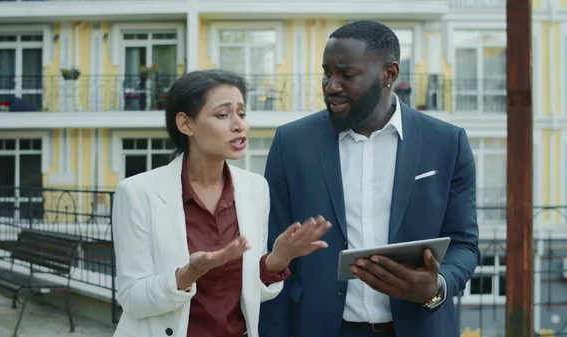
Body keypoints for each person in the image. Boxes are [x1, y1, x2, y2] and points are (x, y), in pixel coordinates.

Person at [258, 20, 481, 337]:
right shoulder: (291, 143)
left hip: (418, 327)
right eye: (327, 72)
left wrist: (438, 285)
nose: (331, 85)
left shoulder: (447, 142)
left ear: (389, 74)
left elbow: (464, 244)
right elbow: (274, 252)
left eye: (347, 75)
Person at [111, 69, 331, 337]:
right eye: (223, 115)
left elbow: (252, 295)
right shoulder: (137, 192)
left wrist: (277, 259)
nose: (239, 125)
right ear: (186, 124)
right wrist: (188, 274)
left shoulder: (255, 188)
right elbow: (132, 298)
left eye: (242, 113)